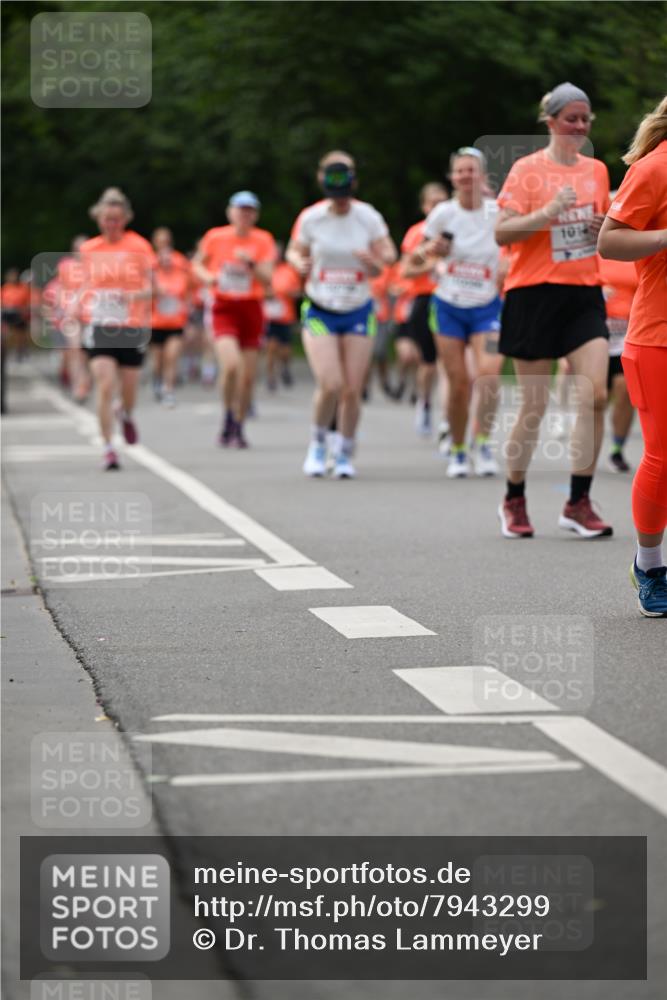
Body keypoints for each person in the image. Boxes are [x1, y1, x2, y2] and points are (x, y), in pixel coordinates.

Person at [495, 82, 612, 538]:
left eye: (585, 120)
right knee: (535, 404)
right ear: (551, 122)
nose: (580, 127)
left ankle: (578, 502)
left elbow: (601, 232)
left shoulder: (597, 171)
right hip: (532, 294)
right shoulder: (526, 170)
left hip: (583, 293)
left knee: (595, 396)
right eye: (572, 119)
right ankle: (514, 499)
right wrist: (547, 212)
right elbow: (503, 235)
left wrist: (603, 227)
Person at [286, 150, 397, 479]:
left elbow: (389, 254)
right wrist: (297, 262)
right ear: (322, 180)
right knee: (331, 383)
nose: (341, 203)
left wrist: (374, 261)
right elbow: (295, 249)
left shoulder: (367, 216)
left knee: (352, 387)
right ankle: (318, 444)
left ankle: (345, 451)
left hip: (358, 308)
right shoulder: (312, 217)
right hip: (321, 308)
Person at [598, 95, 667, 616]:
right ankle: (650, 565)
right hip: (658, 335)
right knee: (662, 457)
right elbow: (610, 241)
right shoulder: (655, 168)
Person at [418, 149, 503, 477]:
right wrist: (431, 251)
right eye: (460, 171)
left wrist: (508, 264)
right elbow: (417, 257)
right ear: (452, 177)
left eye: (472, 170)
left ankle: (481, 442)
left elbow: (516, 243)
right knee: (458, 384)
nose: (466, 176)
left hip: (489, 307)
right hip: (449, 306)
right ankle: (456, 448)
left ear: (482, 175)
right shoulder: (442, 213)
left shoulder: (498, 211)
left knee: (490, 375)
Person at [75, 188, 155, 470]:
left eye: (117, 219)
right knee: (105, 384)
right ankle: (109, 447)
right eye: (107, 219)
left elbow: (151, 287)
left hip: (130, 325)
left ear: (126, 219)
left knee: (129, 388)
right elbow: (82, 284)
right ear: (98, 218)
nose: (112, 225)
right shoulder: (89, 249)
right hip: (100, 324)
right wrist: (76, 303)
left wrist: (131, 296)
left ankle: (127, 413)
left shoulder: (140, 246)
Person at [193, 191, 276, 448]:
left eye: (250, 210)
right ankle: (227, 413)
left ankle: (238, 425)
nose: (245, 215)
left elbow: (268, 278)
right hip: (224, 307)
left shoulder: (263, 240)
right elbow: (196, 264)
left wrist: (251, 264)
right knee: (230, 366)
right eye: (240, 210)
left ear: (256, 215)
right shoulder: (216, 237)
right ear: (231, 212)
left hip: (251, 308)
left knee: (248, 376)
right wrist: (207, 278)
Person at [398, 182, 449, 436]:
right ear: (425, 207)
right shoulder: (417, 233)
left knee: (448, 363)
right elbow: (405, 271)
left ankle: (448, 418)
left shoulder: (457, 227)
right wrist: (429, 267)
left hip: (453, 299)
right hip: (425, 299)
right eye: (433, 204)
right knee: (429, 363)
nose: (439, 208)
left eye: (443, 202)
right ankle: (424, 402)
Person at [598, 247, 638, 472]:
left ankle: (616, 449)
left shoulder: (639, 251)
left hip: (627, 334)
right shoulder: (596, 250)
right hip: (597, 334)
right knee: (597, 397)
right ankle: (586, 442)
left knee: (625, 389)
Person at [150, 227, 192, 407]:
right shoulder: (150, 264)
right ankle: (157, 381)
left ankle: (169, 389)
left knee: (172, 356)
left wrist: (189, 313)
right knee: (158, 360)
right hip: (155, 322)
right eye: (160, 240)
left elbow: (189, 290)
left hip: (176, 321)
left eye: (166, 240)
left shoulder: (181, 263)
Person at [263, 242, 301, 390]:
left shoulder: (289, 271)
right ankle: (270, 377)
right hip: (270, 316)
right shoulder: (266, 270)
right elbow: (258, 290)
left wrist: (288, 293)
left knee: (285, 350)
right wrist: (268, 295)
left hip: (286, 316)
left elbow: (298, 291)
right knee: (271, 348)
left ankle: (285, 367)